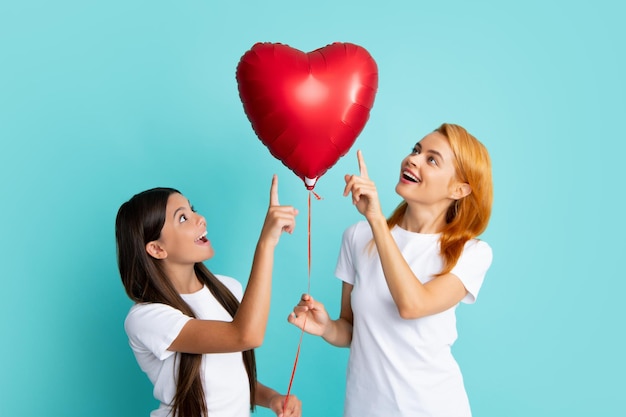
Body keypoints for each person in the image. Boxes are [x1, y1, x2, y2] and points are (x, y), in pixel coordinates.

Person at [288, 123, 493, 417]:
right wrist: (328, 328)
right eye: (416, 150)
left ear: (459, 189)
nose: (413, 159)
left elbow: (412, 305)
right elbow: (352, 329)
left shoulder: (471, 253)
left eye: (432, 159)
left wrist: (376, 220)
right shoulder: (357, 237)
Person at [115, 175, 301, 417]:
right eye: (183, 218)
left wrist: (273, 398)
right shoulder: (146, 318)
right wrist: (266, 244)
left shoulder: (228, 289)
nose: (199, 218)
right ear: (157, 249)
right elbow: (246, 336)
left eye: (192, 210)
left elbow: (228, 381)